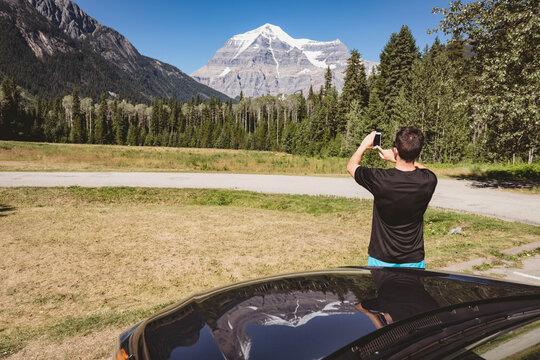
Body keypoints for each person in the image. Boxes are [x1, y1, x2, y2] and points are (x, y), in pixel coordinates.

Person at [347, 127, 437, 268]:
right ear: (418, 152)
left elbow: (351, 166)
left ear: (396, 150)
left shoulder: (380, 179)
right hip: (414, 259)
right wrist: (396, 159)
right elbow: (426, 170)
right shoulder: (429, 180)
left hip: (381, 258)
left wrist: (364, 145)